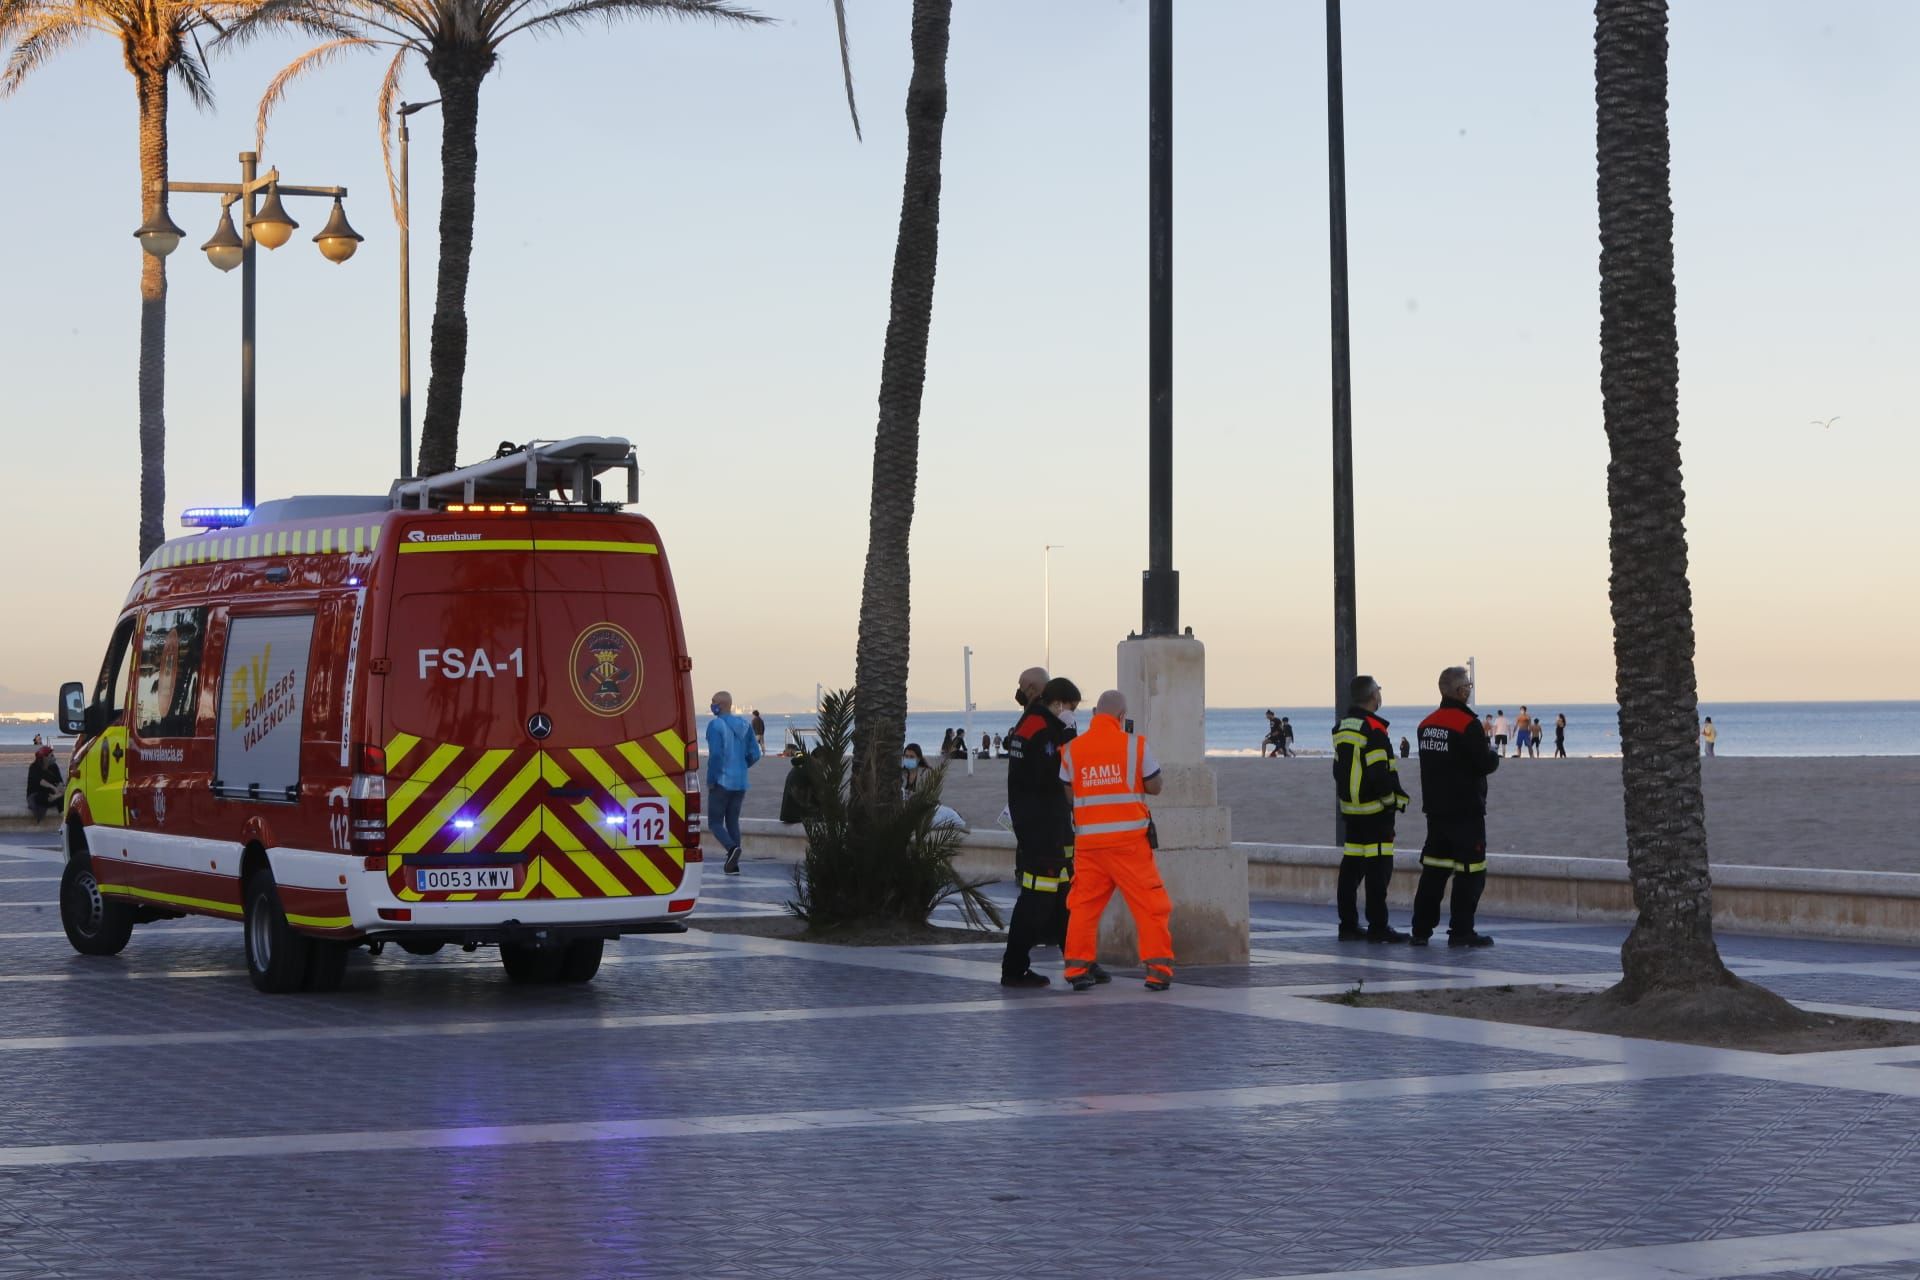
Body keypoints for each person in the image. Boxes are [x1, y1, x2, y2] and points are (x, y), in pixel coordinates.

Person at [1061, 690, 1173, 992]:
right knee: (1150, 905)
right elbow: (1155, 786)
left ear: (1095, 714)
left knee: (1083, 907)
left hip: (1089, 846)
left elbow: (1069, 793)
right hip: (1129, 845)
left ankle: (1076, 968)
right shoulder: (1135, 746)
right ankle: (1157, 971)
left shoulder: (1072, 749)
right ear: (1122, 717)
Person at [1001, 674, 1082, 989]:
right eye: (1070, 708)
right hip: (1042, 828)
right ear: (1059, 703)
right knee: (1036, 900)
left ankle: (1079, 963)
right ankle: (1014, 968)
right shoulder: (1042, 729)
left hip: (1048, 826)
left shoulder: (1032, 723)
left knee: (1063, 896)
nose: (1071, 713)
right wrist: (1070, 732)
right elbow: (1060, 772)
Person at [1412, 667, 1500, 947]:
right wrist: (1494, 756)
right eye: (1468, 685)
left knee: (1434, 872)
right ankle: (1462, 931)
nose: (1470, 689)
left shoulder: (1426, 725)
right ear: (1461, 691)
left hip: (1436, 811)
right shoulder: (1467, 724)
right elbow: (1483, 763)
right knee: (1470, 872)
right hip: (1465, 811)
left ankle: (1420, 930)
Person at [1332, 675, 1411, 943]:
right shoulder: (1374, 729)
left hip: (1351, 810)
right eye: (1379, 689)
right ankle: (1378, 927)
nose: (1381, 693)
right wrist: (1393, 802)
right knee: (1378, 870)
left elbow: (1339, 769)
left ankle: (1348, 925)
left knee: (1351, 868)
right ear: (1372, 696)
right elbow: (1379, 772)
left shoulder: (1343, 727)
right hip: (1375, 812)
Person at [704, 691, 762, 875]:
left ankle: (731, 849)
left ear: (720, 704)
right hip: (740, 782)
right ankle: (733, 865)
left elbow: (716, 755)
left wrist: (711, 779)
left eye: (713, 701)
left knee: (714, 822)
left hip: (721, 781)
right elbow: (755, 754)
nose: (711, 704)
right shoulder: (745, 725)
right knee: (732, 822)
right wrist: (742, 767)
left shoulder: (715, 725)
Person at [26, 745, 62, 821]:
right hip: (36, 794)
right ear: (44, 757)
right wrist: (53, 787)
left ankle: (63, 818)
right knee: (40, 798)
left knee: (64, 797)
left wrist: (59, 792)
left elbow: (60, 782)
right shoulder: (34, 767)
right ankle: (53, 799)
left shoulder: (54, 767)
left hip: (52, 794)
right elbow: (40, 781)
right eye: (51, 755)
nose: (53, 757)